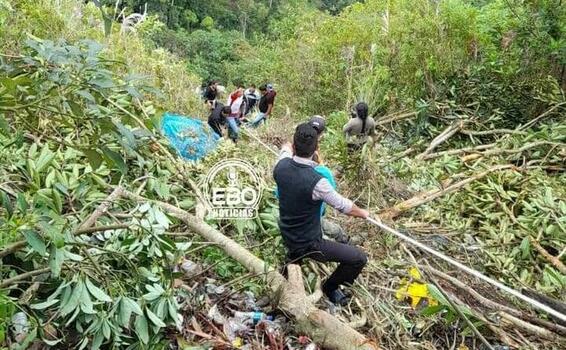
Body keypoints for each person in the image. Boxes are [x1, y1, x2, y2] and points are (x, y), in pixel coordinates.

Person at [273, 123, 370, 305]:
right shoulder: (318, 182)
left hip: (287, 232)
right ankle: (330, 288)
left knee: (295, 253)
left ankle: (292, 262)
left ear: (294, 146)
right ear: (316, 149)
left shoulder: (280, 166)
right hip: (309, 244)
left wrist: (287, 144)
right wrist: (363, 212)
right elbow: (343, 206)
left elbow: (284, 150)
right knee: (358, 258)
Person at [308, 115, 349, 244]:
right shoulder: (323, 173)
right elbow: (335, 198)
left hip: (298, 213)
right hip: (311, 218)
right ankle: (345, 242)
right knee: (334, 231)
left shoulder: (290, 163)